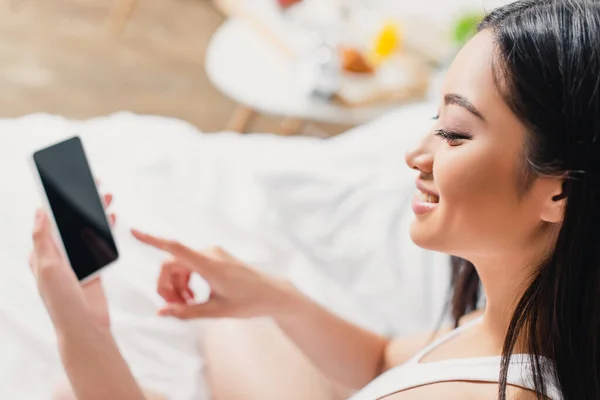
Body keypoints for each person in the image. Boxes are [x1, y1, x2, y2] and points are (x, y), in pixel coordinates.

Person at [29, 0, 600, 398]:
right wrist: (272, 296)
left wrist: (82, 327)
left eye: (453, 131)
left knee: (68, 387)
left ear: (560, 191)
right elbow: (380, 361)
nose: (415, 154)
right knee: (238, 322)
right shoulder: (540, 322)